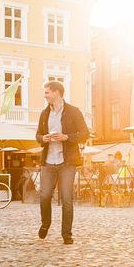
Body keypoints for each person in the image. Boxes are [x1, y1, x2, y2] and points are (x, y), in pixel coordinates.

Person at [35, 81, 89, 245]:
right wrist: (43, 139)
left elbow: (85, 133)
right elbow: (38, 135)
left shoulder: (73, 111)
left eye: (47, 92)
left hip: (67, 162)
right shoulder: (44, 114)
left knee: (66, 199)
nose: (45, 95)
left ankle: (67, 234)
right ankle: (46, 224)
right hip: (49, 162)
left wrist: (67, 137)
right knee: (44, 196)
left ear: (57, 92)